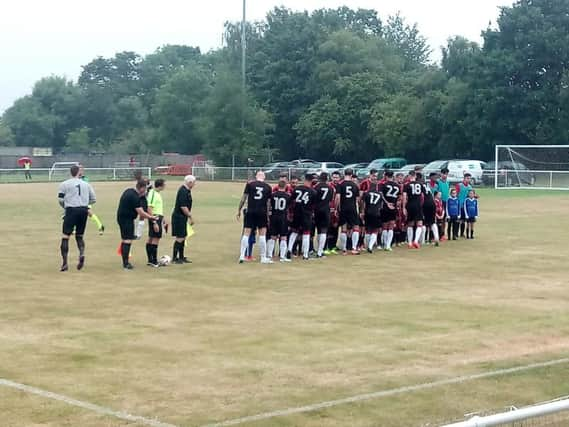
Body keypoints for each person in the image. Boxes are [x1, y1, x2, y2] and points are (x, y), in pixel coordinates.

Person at [58, 165, 96, 272]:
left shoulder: (64, 184)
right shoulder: (86, 184)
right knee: (79, 236)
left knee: (65, 236)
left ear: (70, 172)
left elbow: (60, 199)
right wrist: (85, 203)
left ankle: (65, 263)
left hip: (71, 210)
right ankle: (82, 253)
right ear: (78, 173)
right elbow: (93, 199)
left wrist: (66, 206)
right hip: (83, 211)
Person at [117, 180, 156, 270]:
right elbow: (141, 213)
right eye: (145, 188)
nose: (146, 190)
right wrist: (151, 217)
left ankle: (125, 262)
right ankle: (126, 264)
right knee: (127, 240)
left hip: (123, 217)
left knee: (126, 239)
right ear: (142, 188)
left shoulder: (129, 191)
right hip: (126, 219)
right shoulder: (134, 197)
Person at [237, 171, 272, 264]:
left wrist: (239, 209)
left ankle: (242, 255)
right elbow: (268, 203)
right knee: (262, 235)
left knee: (246, 233)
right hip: (262, 212)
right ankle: (263, 257)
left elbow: (244, 198)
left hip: (251, 211)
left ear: (256, 176)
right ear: (264, 177)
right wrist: (268, 215)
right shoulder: (268, 187)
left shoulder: (250, 184)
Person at [288, 174, 317, 260]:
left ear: (304, 179)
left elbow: (291, 201)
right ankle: (305, 254)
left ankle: (289, 250)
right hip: (306, 214)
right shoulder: (313, 192)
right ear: (311, 181)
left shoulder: (297, 189)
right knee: (306, 234)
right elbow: (313, 206)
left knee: (294, 232)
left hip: (297, 213)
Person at [335, 168, 361, 255]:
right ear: (351, 174)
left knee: (344, 228)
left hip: (343, 208)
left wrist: (336, 208)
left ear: (344, 174)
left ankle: (344, 249)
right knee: (356, 227)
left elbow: (338, 197)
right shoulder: (355, 185)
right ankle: (354, 248)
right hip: (352, 208)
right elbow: (357, 199)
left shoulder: (340, 184)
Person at [172, 175, 196, 264]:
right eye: (194, 183)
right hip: (179, 217)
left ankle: (181, 257)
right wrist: (190, 216)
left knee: (183, 236)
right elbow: (183, 206)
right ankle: (174, 258)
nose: (194, 185)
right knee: (180, 237)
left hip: (183, 217)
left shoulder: (187, 191)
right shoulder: (183, 191)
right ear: (189, 182)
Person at [146, 179, 167, 267]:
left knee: (151, 238)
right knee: (155, 238)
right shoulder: (153, 194)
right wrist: (154, 222)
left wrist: (163, 218)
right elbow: (149, 208)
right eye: (164, 184)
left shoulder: (157, 193)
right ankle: (153, 261)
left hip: (158, 217)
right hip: (155, 217)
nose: (165, 186)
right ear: (161, 185)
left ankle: (151, 260)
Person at [268, 181, 292, 262]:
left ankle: (270, 255)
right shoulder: (288, 196)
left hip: (274, 217)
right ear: (285, 186)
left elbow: (269, 205)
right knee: (284, 237)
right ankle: (282, 257)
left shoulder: (273, 195)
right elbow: (289, 207)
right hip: (283, 217)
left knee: (273, 237)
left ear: (278, 186)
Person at [313, 172, 335, 258]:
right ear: (327, 179)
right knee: (324, 230)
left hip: (317, 209)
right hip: (325, 210)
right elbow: (330, 200)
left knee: (318, 230)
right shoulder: (330, 188)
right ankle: (320, 251)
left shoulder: (316, 187)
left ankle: (318, 250)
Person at [78, 165, 105, 235]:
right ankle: (100, 226)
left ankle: (100, 225)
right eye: (79, 169)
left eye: (81, 169)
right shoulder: (76, 178)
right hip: (79, 199)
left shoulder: (85, 179)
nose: (80, 171)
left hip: (85, 199)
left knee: (88, 212)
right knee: (81, 212)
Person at [403, 171, 425, 249]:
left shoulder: (406, 185)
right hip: (418, 205)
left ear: (409, 176)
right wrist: (421, 204)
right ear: (415, 176)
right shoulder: (420, 184)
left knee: (410, 224)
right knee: (419, 224)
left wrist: (404, 207)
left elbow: (404, 197)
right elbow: (422, 196)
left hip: (410, 205)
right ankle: (415, 241)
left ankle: (409, 243)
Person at [379, 170, 399, 252]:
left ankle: (384, 244)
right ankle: (388, 245)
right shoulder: (397, 185)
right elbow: (399, 197)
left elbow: (381, 195)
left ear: (386, 176)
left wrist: (387, 203)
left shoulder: (383, 184)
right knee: (391, 226)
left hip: (385, 207)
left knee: (384, 226)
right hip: (393, 207)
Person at [362, 174, 382, 253]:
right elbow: (380, 206)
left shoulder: (366, 193)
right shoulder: (379, 195)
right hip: (376, 212)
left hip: (368, 212)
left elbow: (363, 203)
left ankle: (367, 245)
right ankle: (370, 246)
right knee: (375, 230)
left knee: (368, 230)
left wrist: (363, 212)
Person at [456, 173, 474, 238]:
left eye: (469, 178)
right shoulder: (459, 185)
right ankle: (455, 233)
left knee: (463, 220)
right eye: (467, 178)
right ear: (464, 178)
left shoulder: (469, 187)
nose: (468, 180)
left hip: (466, 206)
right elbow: (456, 194)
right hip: (459, 205)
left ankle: (461, 233)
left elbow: (471, 195)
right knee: (458, 220)